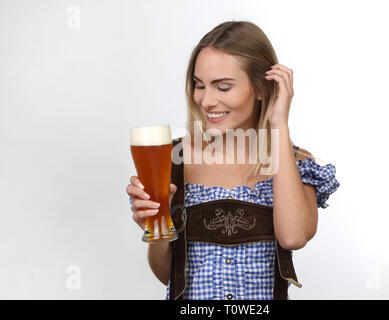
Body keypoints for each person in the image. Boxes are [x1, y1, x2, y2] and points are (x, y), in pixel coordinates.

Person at [126, 20, 340, 300]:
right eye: (199, 85)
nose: (206, 101)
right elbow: (168, 275)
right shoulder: (172, 161)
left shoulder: (294, 162)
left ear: (262, 88)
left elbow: (294, 237)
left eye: (223, 87)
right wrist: (159, 229)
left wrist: (279, 125)